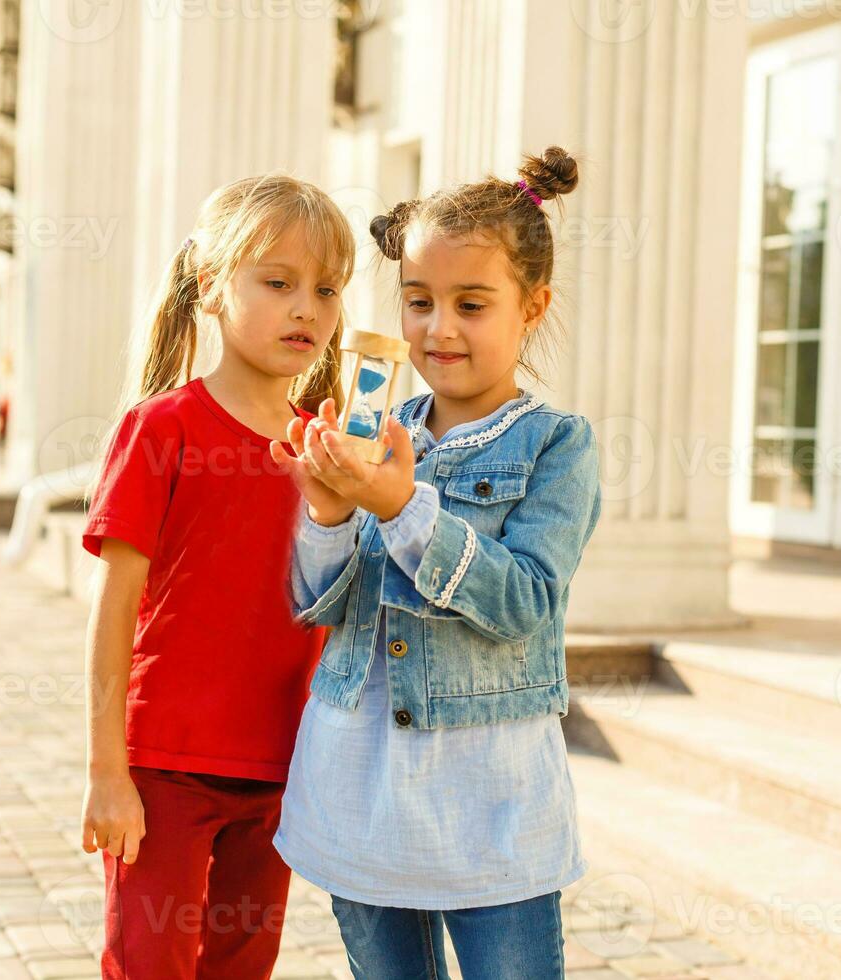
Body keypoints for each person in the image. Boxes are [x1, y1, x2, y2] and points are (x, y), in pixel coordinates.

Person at [268, 147, 604, 980]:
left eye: (471, 304)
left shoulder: (557, 445)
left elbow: (525, 600)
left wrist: (402, 509)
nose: (438, 328)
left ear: (533, 307)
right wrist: (328, 510)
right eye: (418, 302)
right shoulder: (374, 426)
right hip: (362, 785)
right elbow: (318, 606)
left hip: (491, 805)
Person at [79, 173, 355, 980]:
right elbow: (113, 615)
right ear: (212, 287)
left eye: (327, 289)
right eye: (278, 283)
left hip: (280, 769)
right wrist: (107, 773)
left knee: (243, 968)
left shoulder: (325, 453)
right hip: (162, 769)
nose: (306, 308)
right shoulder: (160, 429)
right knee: (149, 967)